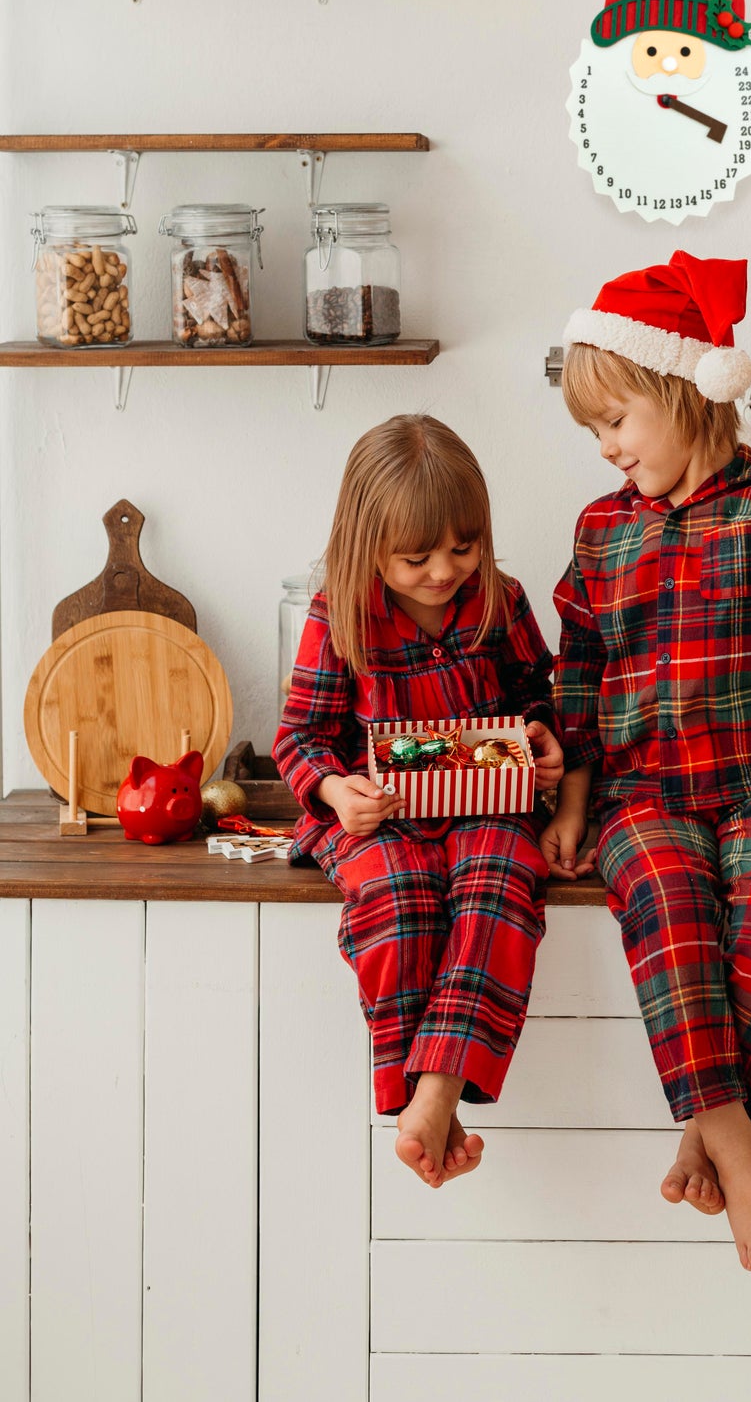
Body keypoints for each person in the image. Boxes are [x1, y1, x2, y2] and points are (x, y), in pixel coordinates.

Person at [543, 251, 751, 1272]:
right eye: (592, 431)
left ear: (681, 392)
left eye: (614, 423)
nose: (603, 448)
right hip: (642, 797)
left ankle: (710, 1134)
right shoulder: (600, 534)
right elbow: (579, 683)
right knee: (668, 906)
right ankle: (739, 1150)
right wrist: (570, 801)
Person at [274, 414, 563, 1189]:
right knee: (397, 899)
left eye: (463, 548)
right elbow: (299, 737)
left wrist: (541, 738)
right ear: (367, 544)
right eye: (416, 556)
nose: (444, 570)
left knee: (504, 876)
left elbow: (543, 696)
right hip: (378, 818)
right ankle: (429, 1097)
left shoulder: (499, 600)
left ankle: (430, 1095)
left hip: (486, 807)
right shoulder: (340, 614)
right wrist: (336, 790)